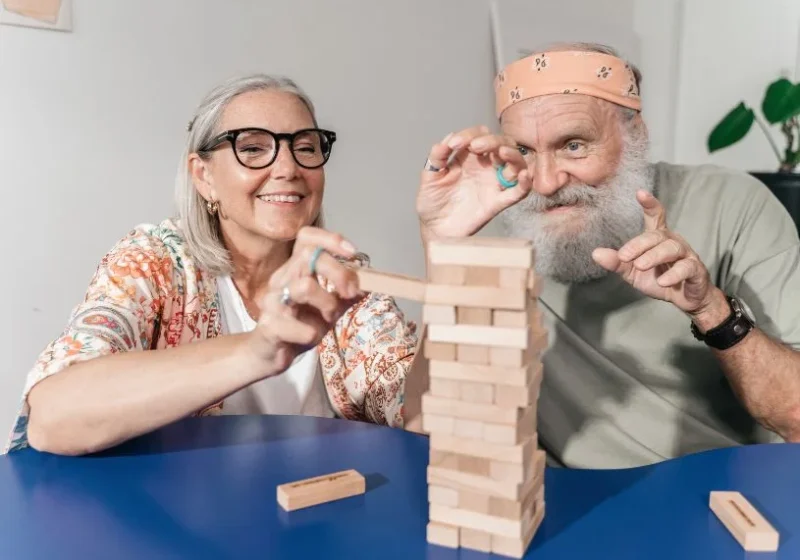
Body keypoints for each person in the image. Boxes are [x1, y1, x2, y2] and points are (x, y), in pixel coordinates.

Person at [414, 42, 800, 469]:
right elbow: (432, 426)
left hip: (713, 495)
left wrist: (710, 309)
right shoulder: (507, 234)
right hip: (564, 503)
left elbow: (795, 418)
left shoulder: (733, 205)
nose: (544, 183)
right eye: (524, 150)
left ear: (636, 135)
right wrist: (441, 246)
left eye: (574, 145)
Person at [5, 74, 418, 456]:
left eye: (306, 147)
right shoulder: (154, 261)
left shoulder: (342, 282)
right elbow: (54, 419)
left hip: (315, 519)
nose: (289, 168)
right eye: (253, 148)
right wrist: (257, 351)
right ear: (203, 176)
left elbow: (420, 416)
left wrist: (446, 245)